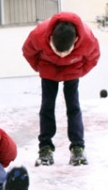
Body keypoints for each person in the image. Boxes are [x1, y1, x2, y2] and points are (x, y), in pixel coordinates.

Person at [22, 11, 100, 166]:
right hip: (48, 70)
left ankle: (77, 146)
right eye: (57, 51)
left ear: (76, 40)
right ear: (50, 38)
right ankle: (45, 147)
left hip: (73, 70)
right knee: (47, 106)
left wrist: (79, 72)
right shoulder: (38, 34)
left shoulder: (87, 39)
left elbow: (94, 57)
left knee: (73, 106)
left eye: (66, 52)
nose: (61, 56)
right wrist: (39, 68)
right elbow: (27, 52)